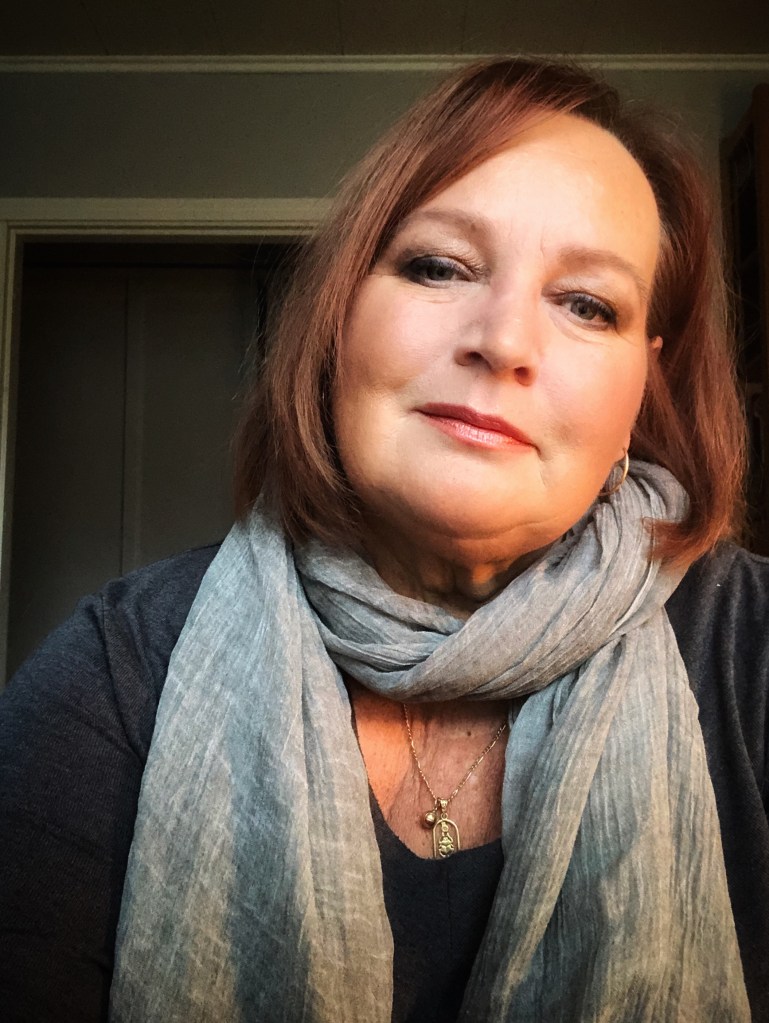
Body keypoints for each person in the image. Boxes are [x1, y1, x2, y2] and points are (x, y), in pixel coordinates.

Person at [1, 57, 767, 1023]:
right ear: (337, 319)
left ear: (640, 390)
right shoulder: (115, 671)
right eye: (438, 266)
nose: (503, 341)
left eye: (586, 304)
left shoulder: (750, 650)